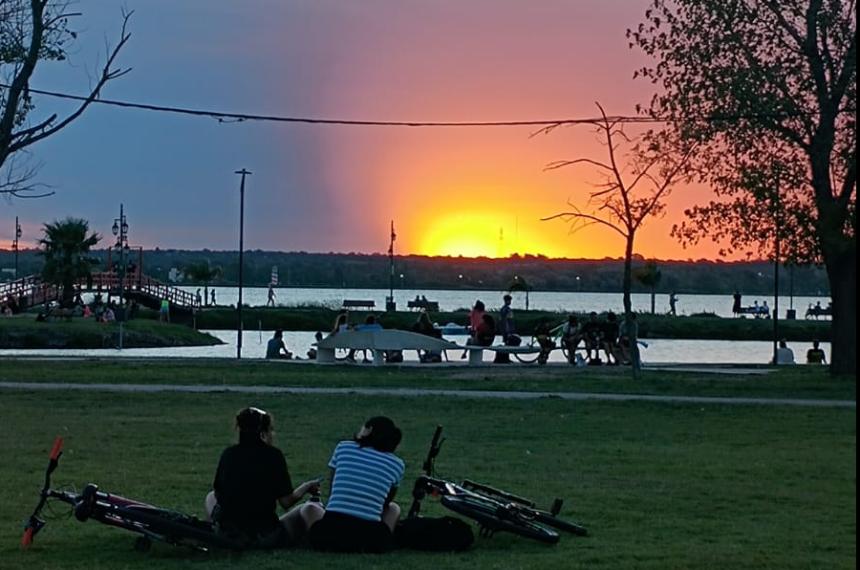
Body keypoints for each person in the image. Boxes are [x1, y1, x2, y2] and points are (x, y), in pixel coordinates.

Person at [205, 407, 321, 548]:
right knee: (307, 508)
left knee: (210, 497)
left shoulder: (228, 454)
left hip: (229, 534)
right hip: (264, 534)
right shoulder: (273, 456)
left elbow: (218, 493)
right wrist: (306, 487)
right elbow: (286, 502)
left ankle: (211, 533)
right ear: (263, 433)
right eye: (271, 430)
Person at [308, 417, 405, 553]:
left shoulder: (344, 447)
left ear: (369, 430)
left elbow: (333, 488)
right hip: (370, 539)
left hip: (330, 533)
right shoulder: (397, 464)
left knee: (309, 508)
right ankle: (384, 542)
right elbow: (386, 503)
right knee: (394, 508)